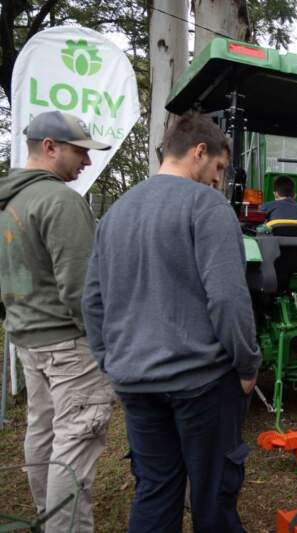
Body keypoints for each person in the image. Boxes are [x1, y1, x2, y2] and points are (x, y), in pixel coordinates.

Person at [82, 112, 262, 533]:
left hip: (136, 382)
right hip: (201, 383)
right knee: (213, 493)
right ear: (200, 151)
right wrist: (248, 365)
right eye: (218, 167)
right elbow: (228, 300)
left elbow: (92, 300)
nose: (218, 180)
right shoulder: (207, 206)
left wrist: (112, 362)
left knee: (155, 489)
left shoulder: (116, 212)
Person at [0, 110, 113, 532]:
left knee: (43, 431)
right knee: (75, 444)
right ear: (50, 147)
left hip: (28, 338)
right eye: (79, 151)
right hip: (70, 345)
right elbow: (83, 290)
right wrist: (104, 343)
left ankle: (46, 517)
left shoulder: (8, 201)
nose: (86, 162)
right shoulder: (60, 201)